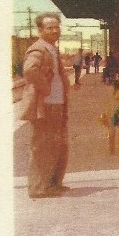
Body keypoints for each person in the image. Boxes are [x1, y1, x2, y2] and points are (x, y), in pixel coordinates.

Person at [20, 12, 75, 199]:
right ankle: (38, 188)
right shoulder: (39, 49)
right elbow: (29, 70)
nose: (54, 31)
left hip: (57, 104)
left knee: (57, 145)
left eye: (56, 27)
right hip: (45, 106)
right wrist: (46, 89)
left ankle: (52, 184)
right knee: (43, 146)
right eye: (49, 27)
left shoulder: (52, 48)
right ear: (40, 30)